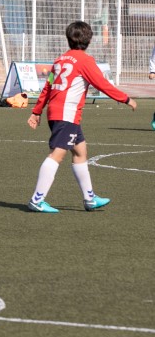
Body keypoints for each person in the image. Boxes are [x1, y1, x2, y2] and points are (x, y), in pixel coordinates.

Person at [26, 21, 137, 213]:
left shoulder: (60, 60)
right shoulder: (85, 60)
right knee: (57, 155)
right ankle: (37, 199)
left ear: (68, 38)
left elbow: (48, 87)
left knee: (80, 152)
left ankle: (90, 198)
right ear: (89, 40)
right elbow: (102, 84)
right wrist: (125, 99)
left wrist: (37, 111)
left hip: (58, 112)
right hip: (66, 114)